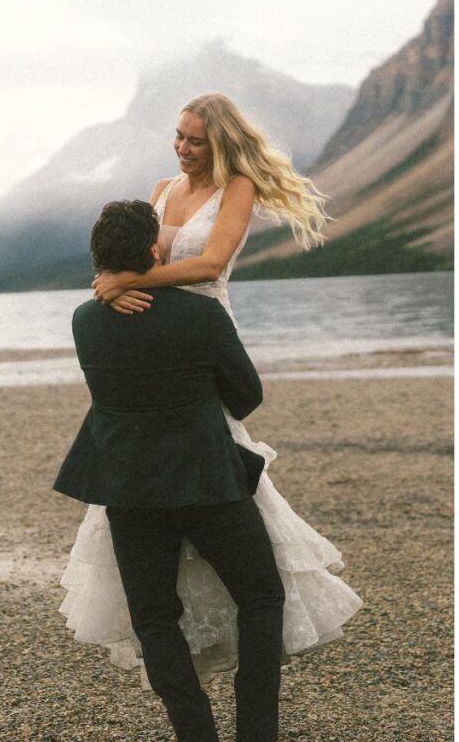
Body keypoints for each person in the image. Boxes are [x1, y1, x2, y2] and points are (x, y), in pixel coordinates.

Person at [59, 93, 362, 686]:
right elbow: (126, 251)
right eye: (178, 136)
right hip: (149, 323)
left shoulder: (239, 188)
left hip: (204, 329)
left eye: (195, 140)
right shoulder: (162, 187)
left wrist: (129, 279)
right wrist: (112, 285)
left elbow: (210, 263)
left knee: (209, 451)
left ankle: (226, 588)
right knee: (190, 461)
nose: (182, 148)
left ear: (219, 143)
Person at [55, 200, 283, 741]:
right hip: (208, 479)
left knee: (154, 618)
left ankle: (195, 733)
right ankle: (257, 733)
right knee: (261, 596)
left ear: (100, 262)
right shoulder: (201, 315)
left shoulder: (85, 320)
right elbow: (247, 395)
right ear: (154, 251)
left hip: (128, 488)